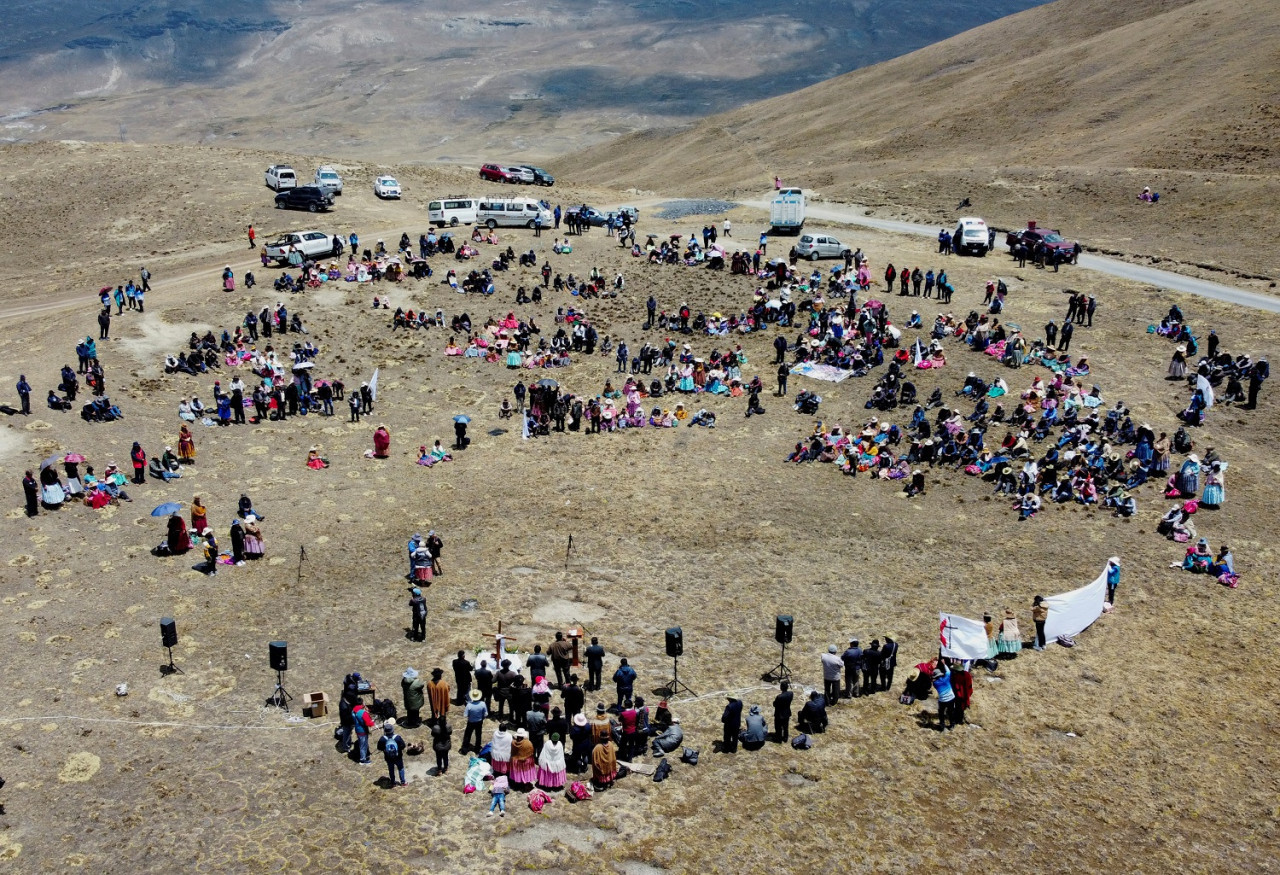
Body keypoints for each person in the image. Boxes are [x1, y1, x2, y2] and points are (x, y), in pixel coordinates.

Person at [378, 719, 407, 785]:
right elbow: (403, 746)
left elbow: (379, 748)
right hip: (398, 756)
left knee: (391, 770)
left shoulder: (382, 739)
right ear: (392, 730)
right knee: (401, 768)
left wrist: (384, 749)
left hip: (388, 757)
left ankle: (393, 782)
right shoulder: (397, 737)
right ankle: (403, 782)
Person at [932, 664, 957, 730]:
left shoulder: (935, 683)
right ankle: (952, 724)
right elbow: (948, 671)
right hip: (951, 698)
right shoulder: (946, 678)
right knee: (951, 712)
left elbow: (933, 680)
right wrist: (944, 664)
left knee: (941, 712)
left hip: (942, 700)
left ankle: (942, 725)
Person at [351, 697, 375, 764]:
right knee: (363, 745)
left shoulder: (353, 711)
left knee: (362, 744)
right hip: (363, 731)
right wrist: (372, 723)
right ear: (362, 703)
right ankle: (363, 759)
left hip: (357, 729)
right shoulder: (362, 713)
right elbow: (368, 723)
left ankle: (365, 755)